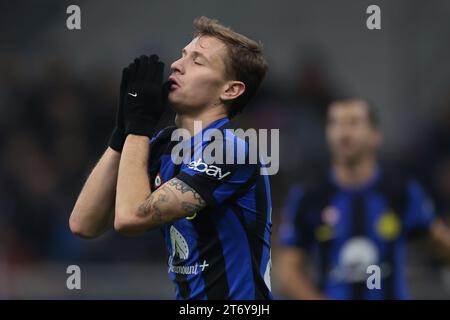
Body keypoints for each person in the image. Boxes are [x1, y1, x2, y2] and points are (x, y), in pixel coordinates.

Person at [69, 16, 272, 300]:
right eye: (183, 55)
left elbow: (129, 218)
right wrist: (122, 131)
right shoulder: (164, 146)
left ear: (230, 89)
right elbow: (84, 223)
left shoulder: (230, 150)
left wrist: (138, 129)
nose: (177, 65)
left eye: (197, 61)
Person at [277, 98, 450, 299]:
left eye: (353, 123)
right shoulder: (309, 196)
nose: (343, 133)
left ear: (375, 135)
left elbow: (439, 242)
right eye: (335, 124)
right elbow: (288, 273)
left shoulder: (400, 190)